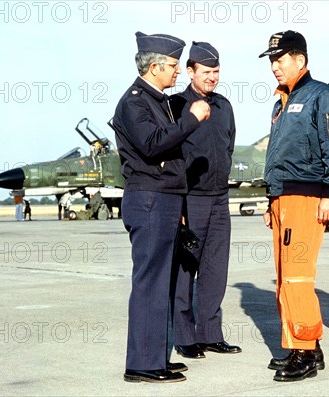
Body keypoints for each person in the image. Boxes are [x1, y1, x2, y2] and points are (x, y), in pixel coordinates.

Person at [112, 31, 210, 383]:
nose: (179, 72)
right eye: (172, 65)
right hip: (149, 199)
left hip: (165, 199)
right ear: (154, 66)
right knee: (150, 282)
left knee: (162, 283)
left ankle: (155, 357)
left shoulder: (158, 100)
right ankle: (141, 364)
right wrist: (191, 120)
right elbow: (153, 146)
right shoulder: (135, 102)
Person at [258, 31, 329, 382]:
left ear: (299, 60)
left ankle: (305, 351)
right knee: (285, 277)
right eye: (271, 61)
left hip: (307, 197)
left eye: (279, 60)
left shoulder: (321, 96)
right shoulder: (282, 102)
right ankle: (306, 347)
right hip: (284, 198)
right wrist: (271, 198)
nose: (274, 67)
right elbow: (278, 155)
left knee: (297, 275)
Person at [171, 42, 241, 359]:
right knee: (186, 271)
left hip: (220, 200)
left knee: (215, 271)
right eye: (206, 72)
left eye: (216, 71)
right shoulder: (175, 106)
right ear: (190, 71)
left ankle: (210, 334)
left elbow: (227, 149)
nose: (212, 78)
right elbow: (170, 155)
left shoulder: (224, 107)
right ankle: (185, 337)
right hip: (191, 200)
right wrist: (179, 205)